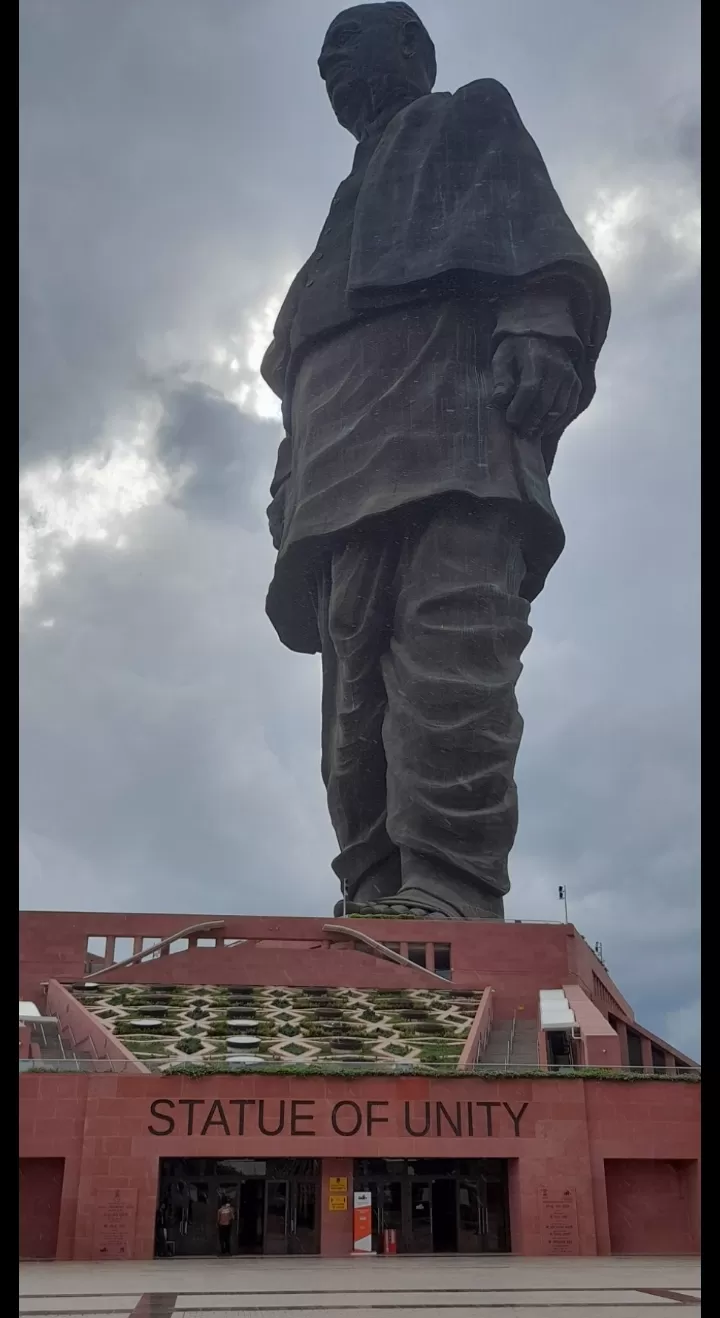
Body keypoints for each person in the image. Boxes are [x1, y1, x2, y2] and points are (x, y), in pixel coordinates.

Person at [261, 3, 609, 922]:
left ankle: (449, 884)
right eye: (323, 56)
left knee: (452, 652)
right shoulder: (336, 218)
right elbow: (295, 362)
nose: (334, 64)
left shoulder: (468, 118)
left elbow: (533, 236)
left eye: (351, 42)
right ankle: (371, 888)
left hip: (452, 429)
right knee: (353, 694)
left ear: (412, 50)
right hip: (339, 456)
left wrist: (541, 318)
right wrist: (287, 471)